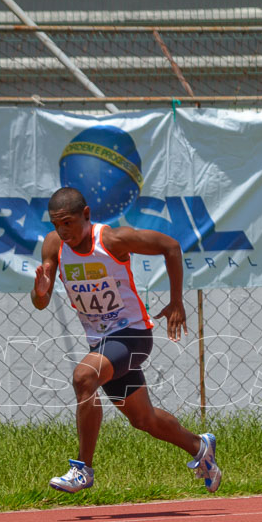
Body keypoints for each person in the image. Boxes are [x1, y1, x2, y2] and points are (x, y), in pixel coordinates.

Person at [30, 187, 221, 494]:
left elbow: (170, 246)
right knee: (144, 420)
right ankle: (200, 448)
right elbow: (41, 301)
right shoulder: (54, 245)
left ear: (87, 215)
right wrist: (39, 292)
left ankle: (83, 470)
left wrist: (176, 302)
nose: (63, 231)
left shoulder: (111, 241)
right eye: (56, 224)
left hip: (132, 335)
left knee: (83, 377)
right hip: (102, 343)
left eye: (68, 223)